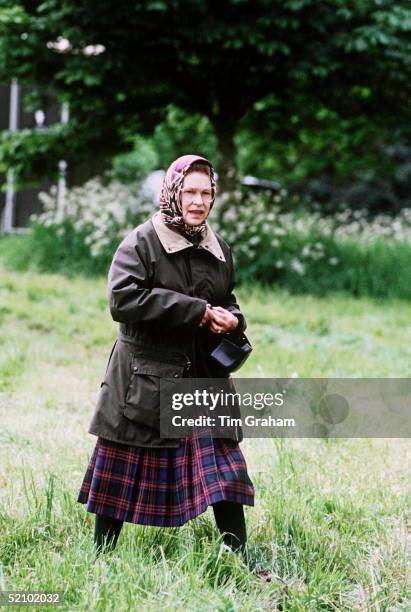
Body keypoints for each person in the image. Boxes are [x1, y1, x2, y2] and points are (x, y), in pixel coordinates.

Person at [77, 154, 255, 562]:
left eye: (206, 193)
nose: (198, 201)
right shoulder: (141, 242)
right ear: (173, 192)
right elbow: (123, 300)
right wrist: (196, 311)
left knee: (225, 471)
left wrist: (232, 320)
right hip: (145, 378)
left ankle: (239, 558)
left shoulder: (218, 247)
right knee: (119, 473)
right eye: (190, 191)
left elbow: (226, 299)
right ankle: (100, 558)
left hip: (203, 380)